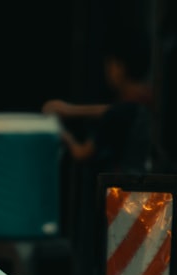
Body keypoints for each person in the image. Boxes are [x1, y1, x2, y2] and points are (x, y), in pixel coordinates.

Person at [41, 25, 154, 176]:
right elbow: (112, 110)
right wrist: (69, 110)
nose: (108, 71)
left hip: (122, 190)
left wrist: (62, 133)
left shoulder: (118, 113)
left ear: (120, 67)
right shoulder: (146, 102)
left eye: (110, 65)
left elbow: (81, 153)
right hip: (148, 188)